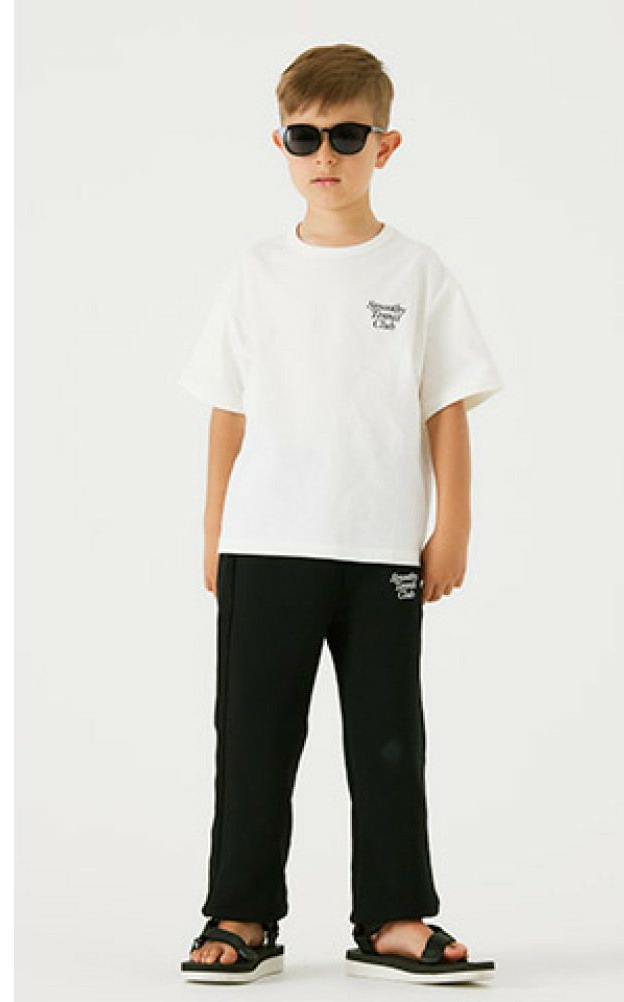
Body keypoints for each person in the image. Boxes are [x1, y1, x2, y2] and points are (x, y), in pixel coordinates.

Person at [177, 43, 502, 985]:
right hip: (266, 541)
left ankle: (393, 916)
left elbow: (446, 406)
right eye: (305, 137)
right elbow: (227, 409)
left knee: (389, 740)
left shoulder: (417, 272)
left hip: (380, 547)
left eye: (348, 136)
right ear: (280, 143)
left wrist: (452, 526)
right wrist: (214, 533)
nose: (326, 155)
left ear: (385, 146)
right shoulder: (256, 272)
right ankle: (241, 912)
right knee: (254, 738)